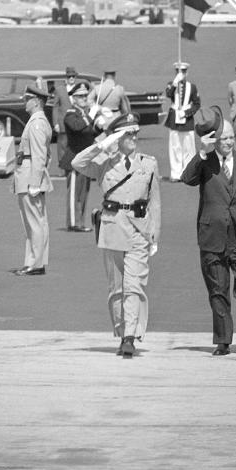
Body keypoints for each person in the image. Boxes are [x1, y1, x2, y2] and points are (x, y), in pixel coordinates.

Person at [71, 113, 161, 357]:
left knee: (134, 286)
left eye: (135, 133)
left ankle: (130, 336)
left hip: (139, 229)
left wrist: (154, 234)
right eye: (127, 134)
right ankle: (122, 332)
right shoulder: (105, 161)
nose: (133, 137)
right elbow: (77, 163)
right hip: (112, 228)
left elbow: (154, 202)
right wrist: (103, 144)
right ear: (118, 137)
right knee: (116, 288)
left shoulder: (148, 163)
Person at [181, 112, 236, 356]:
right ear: (214, 139)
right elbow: (186, 178)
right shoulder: (205, 161)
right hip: (213, 236)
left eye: (232, 137)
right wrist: (201, 153)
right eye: (224, 138)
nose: (229, 142)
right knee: (218, 291)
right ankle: (223, 340)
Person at [11, 83, 54, 276]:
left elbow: (39, 155)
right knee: (36, 221)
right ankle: (35, 262)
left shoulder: (37, 123)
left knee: (34, 222)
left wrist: (35, 183)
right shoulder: (39, 121)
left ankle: (35, 264)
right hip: (30, 173)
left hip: (30, 176)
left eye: (27, 99)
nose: (25, 102)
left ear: (36, 102)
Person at [61, 79, 96, 231]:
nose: (84, 99)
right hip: (74, 158)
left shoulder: (85, 114)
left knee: (84, 192)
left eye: (85, 96)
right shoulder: (71, 114)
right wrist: (90, 117)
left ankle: (80, 222)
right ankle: (73, 223)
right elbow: (76, 127)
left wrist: (100, 125)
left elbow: (90, 133)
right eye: (80, 96)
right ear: (74, 98)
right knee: (74, 193)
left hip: (85, 160)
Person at [164, 61, 200, 181]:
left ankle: (189, 173)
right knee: (175, 147)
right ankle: (176, 173)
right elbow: (168, 94)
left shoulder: (192, 87)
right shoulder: (171, 85)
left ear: (187, 73)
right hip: (174, 118)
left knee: (188, 147)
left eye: (183, 72)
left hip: (187, 119)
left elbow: (197, 104)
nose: (181, 74)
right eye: (179, 72)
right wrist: (175, 83)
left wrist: (186, 113)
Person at [51, 66, 79, 171]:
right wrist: (56, 124)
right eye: (69, 76)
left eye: (73, 76)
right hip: (63, 124)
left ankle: (74, 167)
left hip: (76, 123)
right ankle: (63, 168)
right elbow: (55, 107)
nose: (71, 78)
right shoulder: (59, 90)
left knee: (75, 146)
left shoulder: (79, 89)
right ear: (66, 78)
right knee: (62, 146)